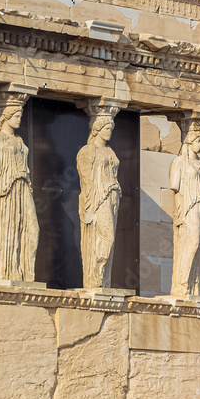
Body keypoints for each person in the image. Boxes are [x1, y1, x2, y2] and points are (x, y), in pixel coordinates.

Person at [0, 95, 38, 282]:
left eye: (20, 115)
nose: (19, 119)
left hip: (23, 187)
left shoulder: (20, 141)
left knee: (32, 229)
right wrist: (1, 183)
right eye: (16, 115)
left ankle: (25, 272)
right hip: (7, 190)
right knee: (9, 229)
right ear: (6, 117)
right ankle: (7, 272)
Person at [77, 111, 120, 289]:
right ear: (98, 128)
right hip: (98, 197)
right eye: (107, 128)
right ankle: (96, 274)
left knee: (111, 238)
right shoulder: (87, 151)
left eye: (111, 128)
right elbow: (85, 179)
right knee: (106, 237)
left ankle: (104, 281)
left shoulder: (110, 151)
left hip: (113, 197)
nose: (109, 131)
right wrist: (88, 206)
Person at [170, 122, 200, 295]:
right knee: (191, 242)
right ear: (190, 141)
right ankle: (182, 285)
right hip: (189, 206)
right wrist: (180, 213)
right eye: (198, 140)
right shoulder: (178, 162)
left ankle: (194, 285)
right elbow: (175, 188)